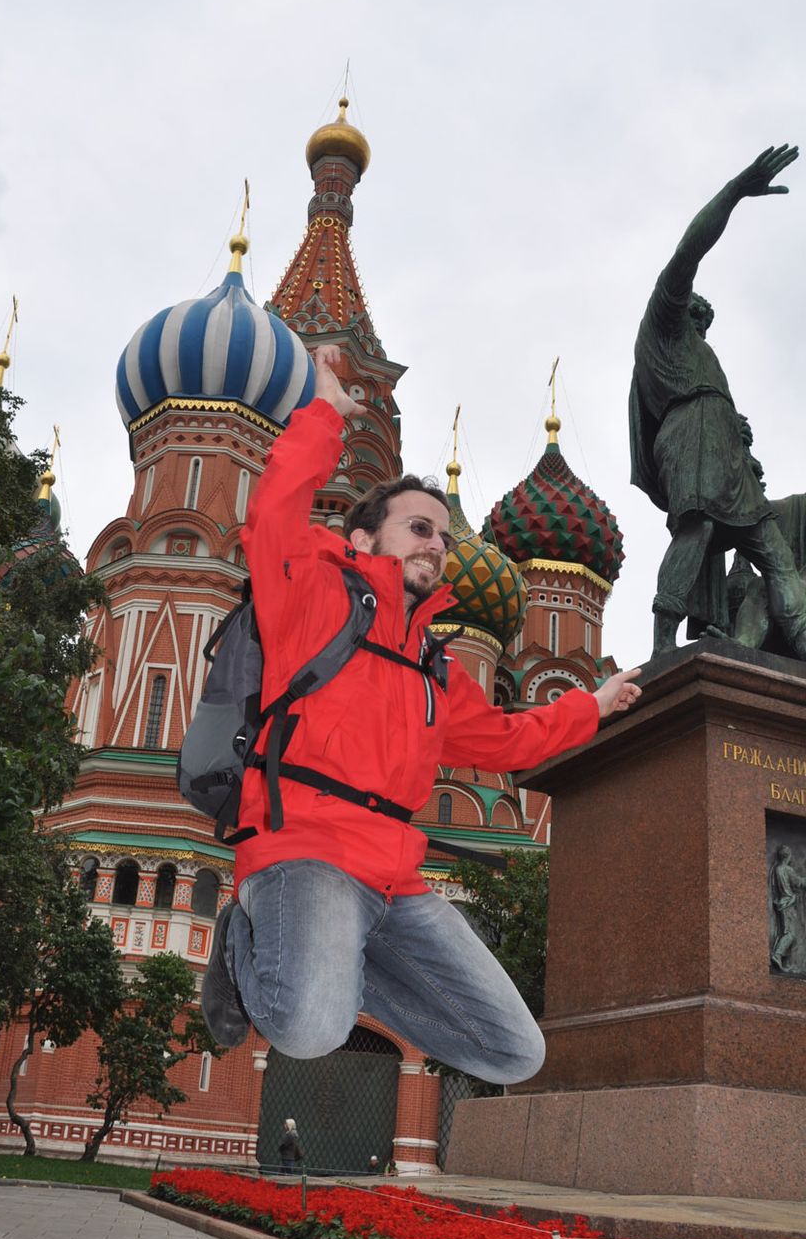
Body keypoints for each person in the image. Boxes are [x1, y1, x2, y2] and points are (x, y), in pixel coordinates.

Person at [202, 344, 642, 1076]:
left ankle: (335, 965)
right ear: (364, 539)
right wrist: (323, 413)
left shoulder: (432, 667)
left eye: (442, 534)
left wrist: (589, 706)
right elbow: (274, 512)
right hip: (303, 849)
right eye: (418, 528)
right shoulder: (311, 598)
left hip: (393, 881)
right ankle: (247, 942)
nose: (436, 544)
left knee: (516, 1051)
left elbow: (507, 739)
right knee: (310, 1030)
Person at [628, 144, 806, 657]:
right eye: (697, 314)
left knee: (773, 551)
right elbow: (689, 251)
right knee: (699, 525)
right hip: (693, 433)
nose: (702, 321)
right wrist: (734, 192)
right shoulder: (664, 322)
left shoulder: (700, 350)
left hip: (720, 439)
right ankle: (663, 642)